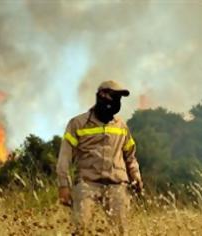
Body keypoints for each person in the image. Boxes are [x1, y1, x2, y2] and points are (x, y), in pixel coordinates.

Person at [56, 80, 143, 235]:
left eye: (119, 98)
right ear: (101, 95)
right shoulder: (78, 124)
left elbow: (130, 156)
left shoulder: (121, 126)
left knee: (121, 231)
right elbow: (64, 156)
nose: (116, 102)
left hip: (117, 185)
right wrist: (63, 185)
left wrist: (136, 176)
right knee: (81, 228)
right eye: (114, 96)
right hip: (86, 184)